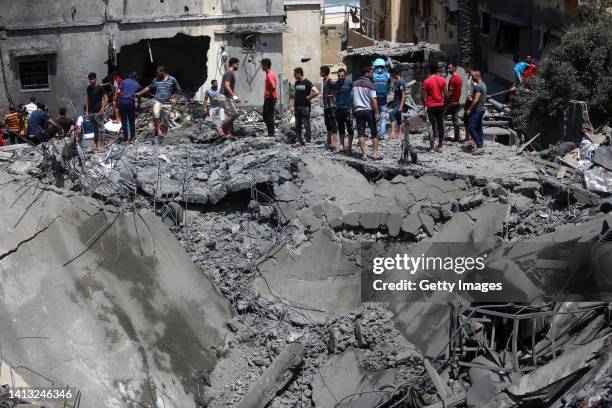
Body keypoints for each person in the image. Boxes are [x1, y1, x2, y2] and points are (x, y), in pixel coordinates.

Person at [136, 66, 182, 144]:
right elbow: (149, 88)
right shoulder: (156, 80)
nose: (156, 74)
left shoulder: (172, 79)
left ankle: (163, 138)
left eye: (158, 72)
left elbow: (179, 90)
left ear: (162, 72)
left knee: (165, 121)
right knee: (155, 113)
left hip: (167, 103)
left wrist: (175, 99)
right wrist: (140, 93)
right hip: (157, 100)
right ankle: (157, 129)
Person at [352, 66, 380, 161]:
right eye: (371, 72)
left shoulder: (354, 84)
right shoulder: (370, 84)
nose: (372, 74)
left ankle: (364, 154)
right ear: (367, 73)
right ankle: (375, 154)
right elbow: (373, 99)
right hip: (369, 111)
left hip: (358, 111)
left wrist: (353, 110)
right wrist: (377, 112)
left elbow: (352, 98)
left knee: (361, 133)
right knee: (374, 133)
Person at [422, 62, 448, 152]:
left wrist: (424, 106)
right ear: (437, 69)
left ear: (429, 69)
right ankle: (440, 145)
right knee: (441, 125)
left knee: (431, 126)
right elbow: (446, 94)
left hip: (430, 106)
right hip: (440, 105)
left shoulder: (426, 81)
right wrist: (445, 103)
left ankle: (432, 146)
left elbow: (423, 96)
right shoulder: (442, 80)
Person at [290, 67, 319, 146]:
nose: (294, 76)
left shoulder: (307, 82)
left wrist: (309, 97)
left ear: (299, 74)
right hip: (297, 107)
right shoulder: (296, 83)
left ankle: (308, 141)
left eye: (295, 74)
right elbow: (295, 95)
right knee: (298, 125)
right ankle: (299, 140)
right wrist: (292, 106)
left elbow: (316, 92)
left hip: (305, 107)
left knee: (306, 124)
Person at [216, 57, 241, 139]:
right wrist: (234, 96)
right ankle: (220, 126)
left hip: (227, 96)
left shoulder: (230, 73)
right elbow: (226, 85)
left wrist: (234, 96)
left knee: (231, 115)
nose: (238, 66)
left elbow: (230, 87)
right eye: (237, 64)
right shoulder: (229, 73)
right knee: (234, 114)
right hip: (224, 96)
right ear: (233, 64)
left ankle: (229, 134)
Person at [115, 72, 141, 143]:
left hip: (123, 102)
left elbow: (118, 91)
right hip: (130, 102)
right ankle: (132, 137)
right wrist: (138, 105)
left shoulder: (124, 81)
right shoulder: (137, 84)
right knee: (131, 121)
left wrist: (116, 101)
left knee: (124, 121)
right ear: (136, 78)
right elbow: (139, 96)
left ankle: (125, 139)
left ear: (129, 76)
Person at [332, 68, 354, 155]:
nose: (340, 77)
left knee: (349, 128)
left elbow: (354, 92)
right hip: (338, 109)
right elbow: (333, 92)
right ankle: (341, 146)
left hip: (348, 109)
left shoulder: (349, 83)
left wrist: (353, 106)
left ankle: (350, 148)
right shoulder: (335, 84)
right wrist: (335, 100)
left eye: (342, 76)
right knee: (341, 128)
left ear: (345, 75)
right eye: (339, 76)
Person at [466, 70, 487, 155]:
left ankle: (479, 146)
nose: (472, 78)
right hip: (481, 109)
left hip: (477, 109)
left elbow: (476, 100)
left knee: (471, 126)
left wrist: (469, 109)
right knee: (478, 127)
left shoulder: (478, 86)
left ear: (477, 76)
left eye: (473, 77)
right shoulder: (483, 84)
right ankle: (480, 145)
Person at [86, 72, 108, 150]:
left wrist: (102, 109)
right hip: (91, 112)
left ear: (95, 78)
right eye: (90, 79)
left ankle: (103, 145)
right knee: (95, 129)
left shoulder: (100, 88)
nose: (91, 81)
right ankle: (95, 144)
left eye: (92, 79)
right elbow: (88, 100)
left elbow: (106, 98)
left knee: (101, 129)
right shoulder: (88, 88)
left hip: (99, 111)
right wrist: (87, 111)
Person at [320, 65, 338, 150]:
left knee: (333, 123)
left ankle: (334, 142)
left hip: (331, 105)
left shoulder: (330, 81)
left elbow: (337, 87)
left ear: (324, 72)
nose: (320, 73)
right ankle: (328, 141)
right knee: (327, 123)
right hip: (326, 105)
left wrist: (333, 95)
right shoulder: (324, 80)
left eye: (321, 71)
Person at [372, 58, 391, 140]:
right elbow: (389, 86)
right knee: (383, 118)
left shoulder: (373, 75)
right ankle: (382, 134)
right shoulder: (387, 75)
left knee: (374, 117)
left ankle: (375, 134)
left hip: (374, 100)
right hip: (383, 99)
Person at [445, 63, 463, 142]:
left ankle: (439, 135)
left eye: (450, 68)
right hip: (457, 102)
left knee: (439, 115)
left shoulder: (453, 79)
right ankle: (457, 137)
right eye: (448, 68)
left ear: (454, 68)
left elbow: (450, 92)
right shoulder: (459, 78)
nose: (448, 70)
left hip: (451, 103)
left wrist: (445, 101)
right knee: (455, 120)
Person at [262, 58, 278, 138]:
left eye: (262, 65)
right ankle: (270, 132)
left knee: (269, 115)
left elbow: (273, 86)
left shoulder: (270, 75)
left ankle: (271, 133)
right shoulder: (268, 74)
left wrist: (269, 93)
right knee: (265, 115)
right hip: (269, 98)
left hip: (270, 98)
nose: (261, 67)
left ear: (265, 65)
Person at [390, 68, 406, 140]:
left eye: (392, 74)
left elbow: (403, 94)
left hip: (399, 103)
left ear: (395, 74)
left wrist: (401, 105)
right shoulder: (396, 82)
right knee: (398, 117)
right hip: (395, 103)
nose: (391, 76)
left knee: (392, 114)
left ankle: (393, 132)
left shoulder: (401, 82)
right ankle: (400, 133)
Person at [462, 63, 475, 143]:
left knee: (470, 119)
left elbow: (477, 89)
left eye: (465, 68)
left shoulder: (474, 77)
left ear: (469, 67)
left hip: (471, 101)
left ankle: (472, 138)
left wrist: (472, 97)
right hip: (467, 100)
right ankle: (467, 136)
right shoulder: (469, 77)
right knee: (466, 118)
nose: (464, 70)